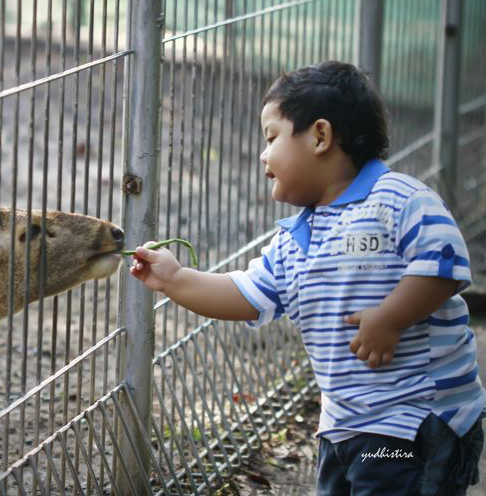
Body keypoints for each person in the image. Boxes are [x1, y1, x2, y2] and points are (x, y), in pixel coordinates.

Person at [129, 61, 486, 495]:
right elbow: (243, 293)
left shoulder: (399, 200)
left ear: (320, 136)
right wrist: (176, 279)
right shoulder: (296, 239)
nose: (263, 154)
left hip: (414, 420)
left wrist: (391, 318)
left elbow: (444, 266)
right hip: (343, 424)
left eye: (272, 137)